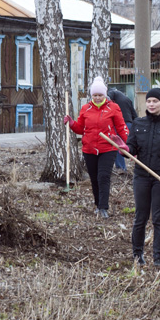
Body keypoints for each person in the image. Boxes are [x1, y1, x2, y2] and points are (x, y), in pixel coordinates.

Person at [124, 87, 160, 266]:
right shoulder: (138, 124)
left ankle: (158, 258)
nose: (151, 104)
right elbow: (132, 148)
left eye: (155, 101)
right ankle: (137, 255)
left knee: (158, 218)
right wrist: (126, 150)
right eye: (149, 101)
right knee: (140, 216)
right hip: (141, 176)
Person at [65, 76, 128, 218]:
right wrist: (71, 123)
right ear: (91, 95)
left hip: (108, 148)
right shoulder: (85, 109)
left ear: (105, 95)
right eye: (95, 95)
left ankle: (103, 207)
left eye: (100, 95)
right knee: (94, 178)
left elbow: (121, 127)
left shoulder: (113, 108)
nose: (98, 98)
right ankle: (97, 204)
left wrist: (127, 143)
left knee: (103, 176)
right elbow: (80, 129)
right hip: (89, 149)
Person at [108, 87, 136, 174]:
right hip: (129, 124)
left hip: (120, 124)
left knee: (118, 145)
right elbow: (134, 115)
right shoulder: (128, 99)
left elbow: (108, 97)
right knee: (130, 145)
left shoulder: (113, 92)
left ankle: (121, 168)